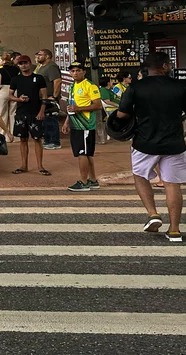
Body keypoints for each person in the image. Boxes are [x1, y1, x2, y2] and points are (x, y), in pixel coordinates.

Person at [116, 52, 185, 242]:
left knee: (140, 176)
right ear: (163, 66)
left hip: (144, 142)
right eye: (169, 64)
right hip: (174, 143)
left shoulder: (136, 87)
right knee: (172, 185)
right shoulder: (180, 86)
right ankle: (174, 231)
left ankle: (153, 214)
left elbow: (121, 115)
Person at [64, 61, 102, 191]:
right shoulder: (71, 86)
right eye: (72, 71)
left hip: (85, 125)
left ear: (84, 72)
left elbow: (98, 105)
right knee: (87, 154)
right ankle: (92, 180)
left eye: (78, 70)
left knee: (82, 154)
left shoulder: (90, 86)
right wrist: (66, 122)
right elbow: (71, 106)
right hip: (75, 124)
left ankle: (84, 181)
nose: (75, 73)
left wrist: (79, 109)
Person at [9, 54, 49, 175]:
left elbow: (44, 96)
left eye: (25, 63)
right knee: (23, 139)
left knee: (37, 139)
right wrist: (19, 99)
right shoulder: (15, 79)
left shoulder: (39, 78)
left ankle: (40, 166)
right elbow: (10, 96)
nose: (23, 65)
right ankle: (23, 165)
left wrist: (42, 111)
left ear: (30, 63)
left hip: (35, 113)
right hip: (21, 113)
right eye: (21, 64)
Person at [35, 49, 64, 150]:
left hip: (50, 97)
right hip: (43, 98)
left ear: (47, 56)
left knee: (51, 119)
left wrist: (54, 97)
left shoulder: (51, 66)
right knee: (45, 120)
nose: (38, 56)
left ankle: (54, 142)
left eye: (40, 55)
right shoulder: (41, 67)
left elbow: (57, 81)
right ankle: (47, 140)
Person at [0, 51, 18, 138]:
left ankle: (3, 135)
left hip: (3, 90)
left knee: (2, 113)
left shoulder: (0, 70)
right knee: (13, 113)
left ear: (4, 61)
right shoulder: (16, 69)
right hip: (14, 90)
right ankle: (14, 135)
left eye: (0, 60)